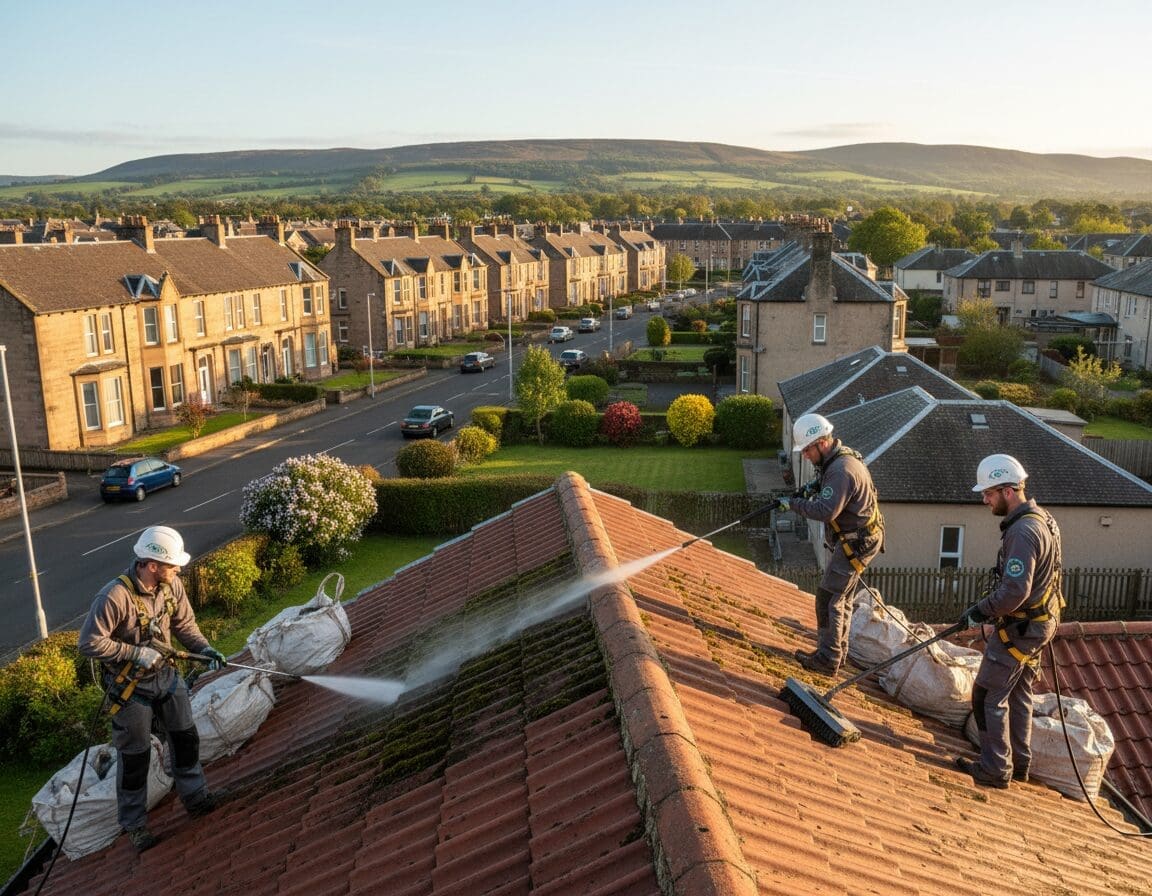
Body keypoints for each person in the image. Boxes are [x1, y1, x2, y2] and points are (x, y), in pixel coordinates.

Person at [78, 525, 226, 851]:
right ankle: (135, 825)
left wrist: (205, 649)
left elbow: (185, 625)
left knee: (186, 739)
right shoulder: (115, 597)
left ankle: (197, 798)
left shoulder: (171, 588)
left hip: (167, 678)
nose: (177, 570)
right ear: (152, 565)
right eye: (172, 565)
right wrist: (133, 653)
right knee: (135, 758)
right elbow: (89, 642)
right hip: (131, 690)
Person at [954, 454, 1063, 789]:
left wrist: (980, 610)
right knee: (1018, 693)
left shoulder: (1024, 532)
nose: (985, 500)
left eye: (988, 493)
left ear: (1008, 491)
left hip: (1022, 628)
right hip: (1038, 623)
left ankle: (995, 768)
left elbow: (1015, 590)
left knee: (987, 694)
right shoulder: (1042, 518)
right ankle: (1019, 764)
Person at [778, 413, 884, 675]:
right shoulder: (837, 460)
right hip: (860, 538)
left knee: (828, 597)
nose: (804, 455)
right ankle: (837, 653)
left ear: (821, 443)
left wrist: (793, 504)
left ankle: (828, 659)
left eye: (806, 450)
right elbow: (826, 484)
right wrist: (810, 488)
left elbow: (826, 510)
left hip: (857, 542)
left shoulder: (841, 470)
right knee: (842, 598)